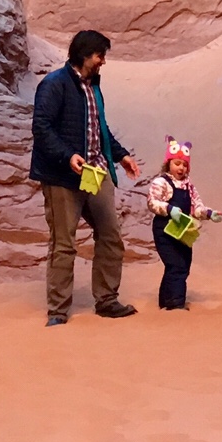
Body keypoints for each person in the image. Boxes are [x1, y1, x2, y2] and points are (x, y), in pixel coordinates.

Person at [30, 29, 141, 326]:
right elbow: (41, 127)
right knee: (64, 244)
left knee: (110, 236)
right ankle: (58, 310)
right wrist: (68, 155)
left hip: (95, 172)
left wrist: (121, 155)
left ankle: (107, 300)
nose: (103, 61)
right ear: (84, 54)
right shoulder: (54, 84)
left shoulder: (94, 87)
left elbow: (99, 128)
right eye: (99, 55)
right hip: (62, 176)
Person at [146, 136, 219, 310]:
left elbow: (196, 207)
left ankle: (166, 301)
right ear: (168, 164)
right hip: (164, 231)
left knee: (183, 266)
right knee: (175, 265)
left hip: (183, 231)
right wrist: (169, 208)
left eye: (184, 165)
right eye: (177, 163)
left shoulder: (189, 186)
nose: (181, 168)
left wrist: (209, 213)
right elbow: (152, 202)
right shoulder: (161, 182)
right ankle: (175, 306)